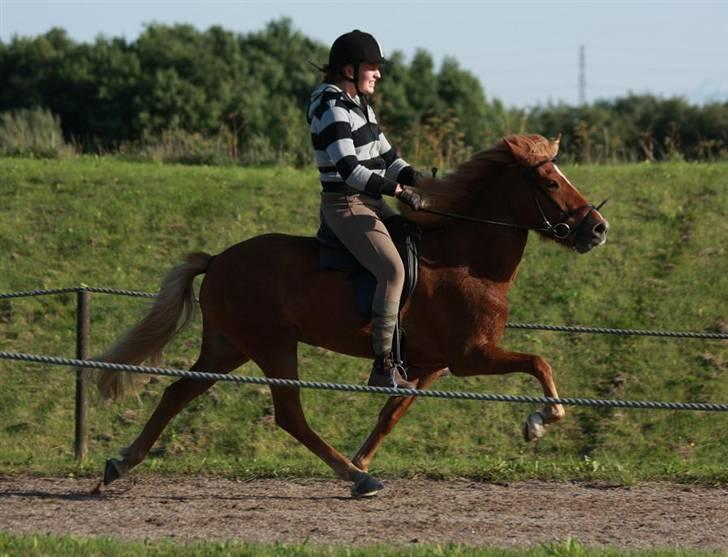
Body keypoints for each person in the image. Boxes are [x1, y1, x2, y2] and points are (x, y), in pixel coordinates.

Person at [307, 30, 422, 389]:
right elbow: (350, 170)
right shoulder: (331, 106)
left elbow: (389, 160)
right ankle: (383, 366)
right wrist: (399, 192)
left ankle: (416, 344)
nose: (378, 74)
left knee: (417, 241)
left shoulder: (360, 106)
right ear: (350, 69)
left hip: (370, 201)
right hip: (346, 204)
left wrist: (430, 182)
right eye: (372, 67)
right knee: (391, 271)